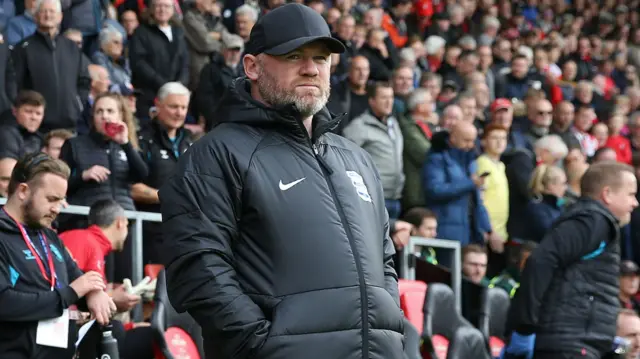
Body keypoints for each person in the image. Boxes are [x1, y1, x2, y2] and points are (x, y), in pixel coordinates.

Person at [158, 3, 404, 359]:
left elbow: (384, 263)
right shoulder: (215, 155)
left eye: (321, 58)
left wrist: (389, 326)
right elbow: (197, 268)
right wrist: (264, 345)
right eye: (293, 56)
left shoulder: (357, 159)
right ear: (252, 66)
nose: (310, 69)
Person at [502, 161, 639, 359]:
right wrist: (524, 328)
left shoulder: (598, 224)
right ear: (607, 194)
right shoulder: (592, 221)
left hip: (580, 343)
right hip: (568, 344)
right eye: (631, 194)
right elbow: (540, 261)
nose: (635, 203)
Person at [0, 152, 116, 358]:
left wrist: (94, 293)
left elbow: (79, 278)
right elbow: (5, 303)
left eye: (61, 200)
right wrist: (71, 293)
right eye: (52, 199)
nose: (57, 209)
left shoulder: (49, 237)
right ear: (23, 191)